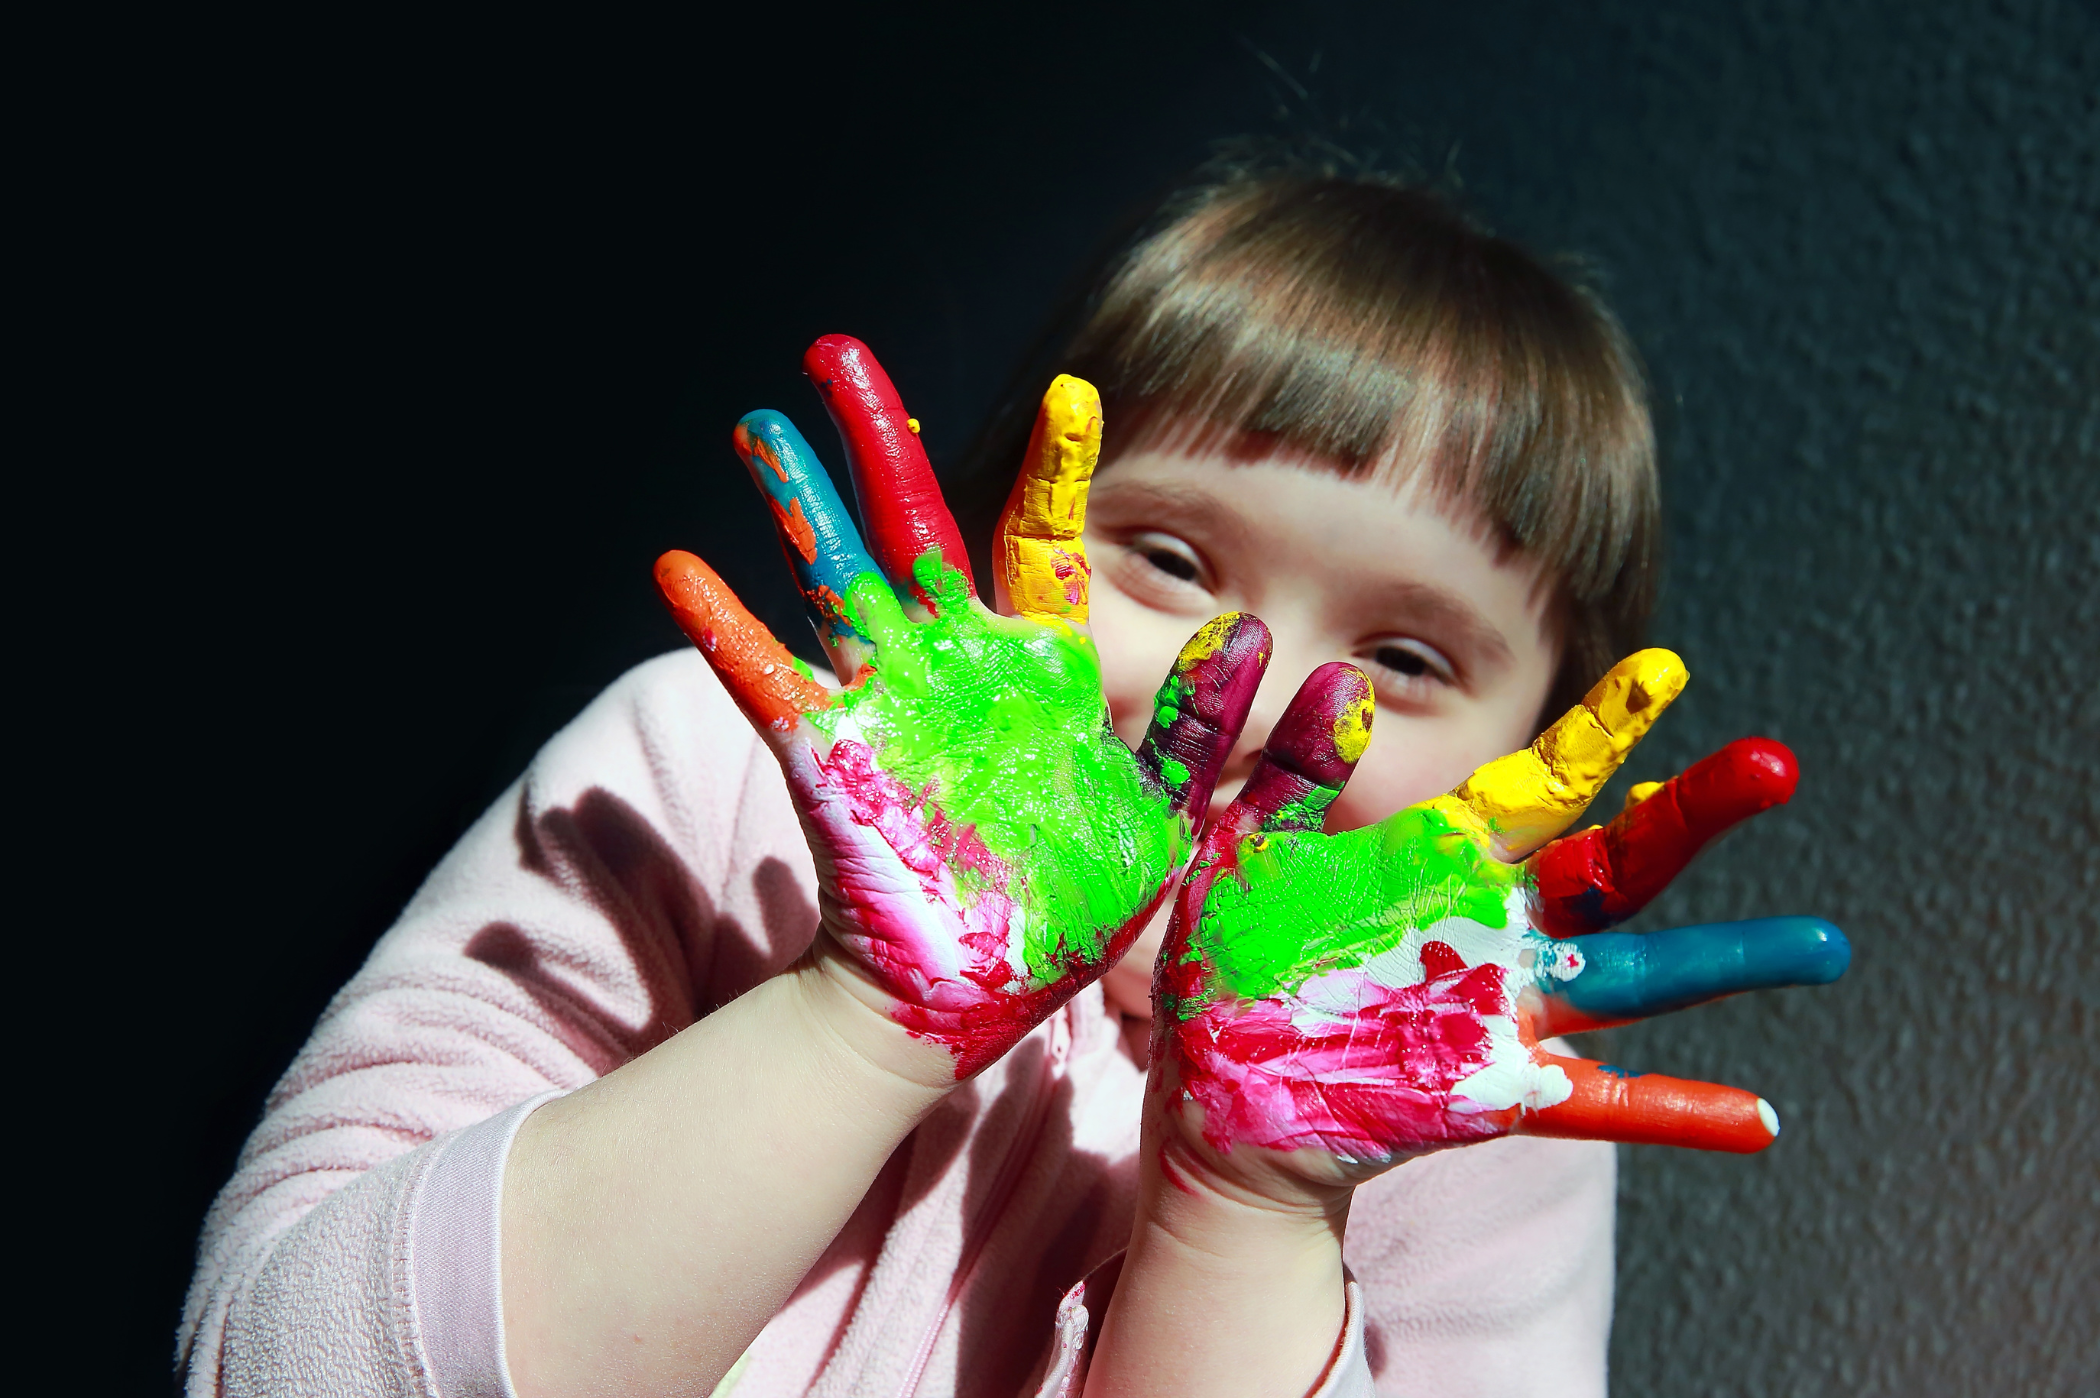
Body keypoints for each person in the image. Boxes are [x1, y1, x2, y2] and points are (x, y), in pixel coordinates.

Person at [179, 159, 1847, 1397]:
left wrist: (1254, 1195)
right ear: (1007, 535)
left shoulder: (1467, 1109)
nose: (1259, 687)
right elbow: (280, 1365)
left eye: (1409, 661)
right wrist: (866, 1017)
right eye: (1177, 558)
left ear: (1544, 753)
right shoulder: (710, 778)